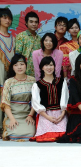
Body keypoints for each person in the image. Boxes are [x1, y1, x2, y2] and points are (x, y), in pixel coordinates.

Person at [30, 57, 69, 142]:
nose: (49, 67)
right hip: (45, 114)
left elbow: (65, 99)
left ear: (54, 67)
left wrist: (62, 114)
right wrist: (48, 117)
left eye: (51, 65)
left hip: (60, 113)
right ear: (42, 68)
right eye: (46, 65)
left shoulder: (62, 82)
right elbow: (36, 103)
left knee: (63, 135)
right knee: (47, 136)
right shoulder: (37, 85)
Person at [0, 54, 36, 141]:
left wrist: (31, 115)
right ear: (13, 67)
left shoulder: (32, 80)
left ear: (26, 65)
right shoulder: (9, 82)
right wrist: (12, 119)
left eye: (22, 64)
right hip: (13, 114)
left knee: (30, 134)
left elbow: (36, 100)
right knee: (13, 135)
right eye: (16, 65)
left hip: (27, 115)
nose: (19, 67)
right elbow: (5, 103)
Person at [0, 8, 15, 138]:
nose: (7, 20)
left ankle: (4, 128)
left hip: (9, 74)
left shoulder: (13, 38)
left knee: (6, 99)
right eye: (4, 17)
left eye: (9, 18)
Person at [15, 11, 41, 77]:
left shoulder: (40, 39)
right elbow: (18, 55)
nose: (34, 24)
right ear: (26, 23)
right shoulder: (21, 36)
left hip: (37, 72)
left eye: (36, 22)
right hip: (24, 72)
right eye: (31, 22)